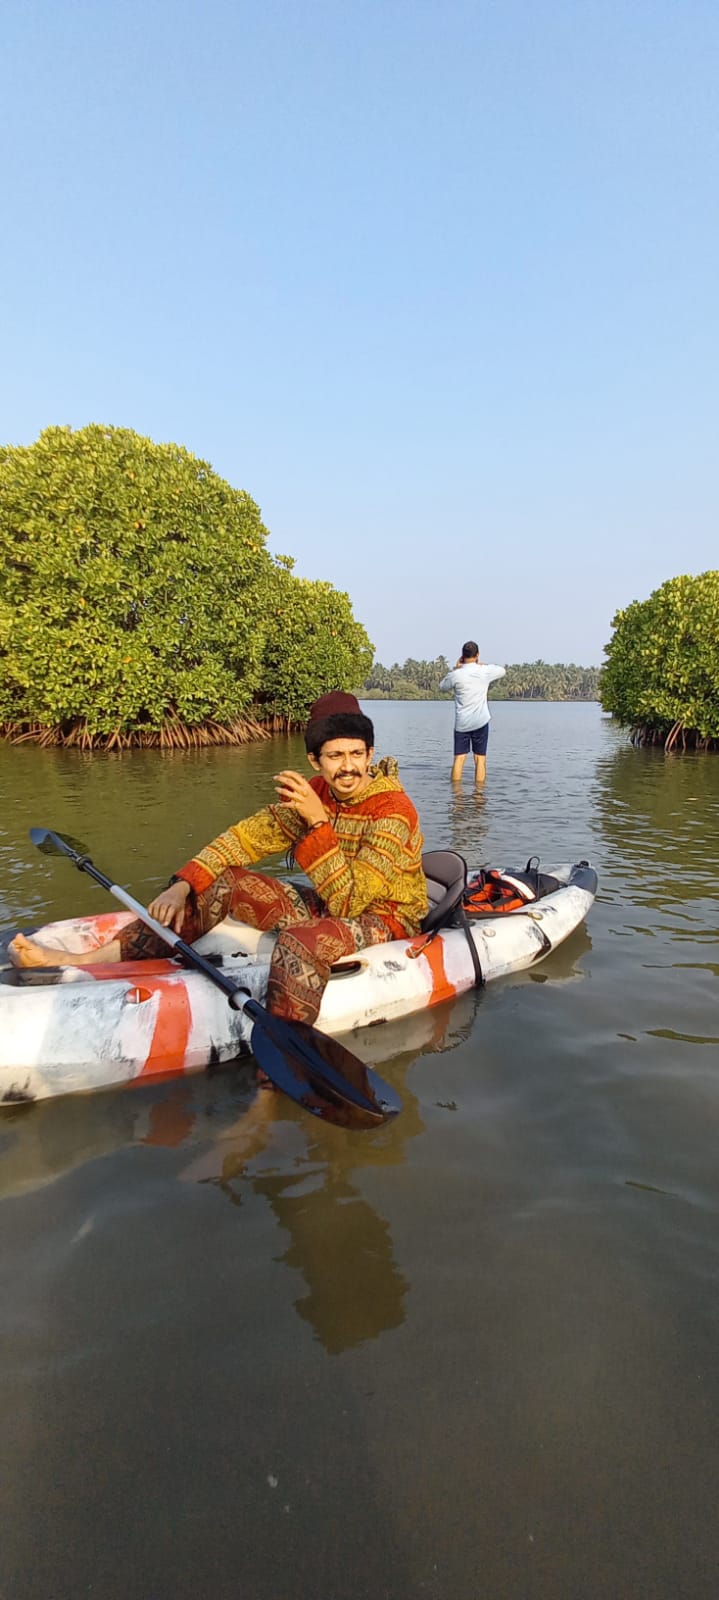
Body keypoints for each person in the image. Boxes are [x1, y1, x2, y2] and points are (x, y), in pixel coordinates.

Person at [11, 693, 428, 1027]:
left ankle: (274, 1076)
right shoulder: (312, 793)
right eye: (335, 756)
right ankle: (88, 961)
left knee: (298, 943)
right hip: (331, 899)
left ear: (370, 754)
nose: (348, 767)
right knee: (221, 880)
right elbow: (244, 839)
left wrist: (319, 825)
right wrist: (183, 883)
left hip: (386, 915)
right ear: (314, 761)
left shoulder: (392, 809)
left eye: (356, 754)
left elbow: (351, 905)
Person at [439, 641, 506, 784]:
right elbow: (502, 670)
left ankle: (456, 797)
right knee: (480, 759)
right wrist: (481, 665)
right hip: (480, 721)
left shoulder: (456, 675)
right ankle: (479, 795)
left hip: (462, 723)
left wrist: (456, 668)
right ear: (477, 655)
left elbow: (442, 687)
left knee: (459, 758)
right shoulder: (484, 671)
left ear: (462, 656)